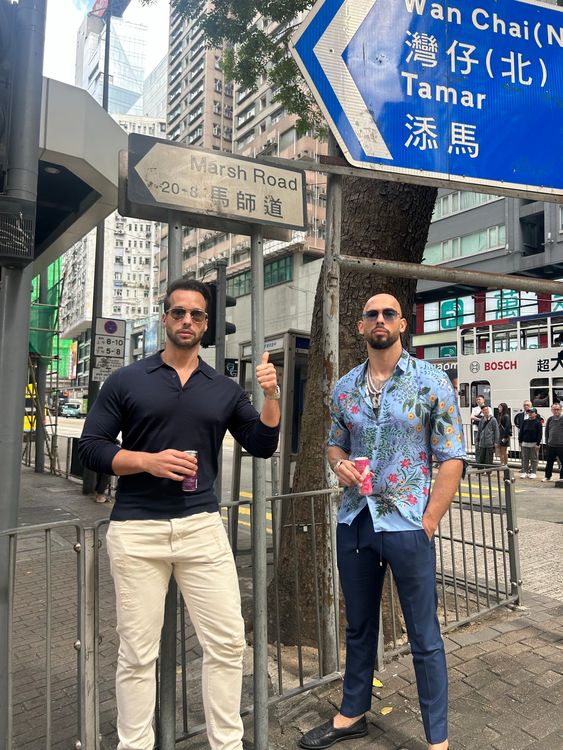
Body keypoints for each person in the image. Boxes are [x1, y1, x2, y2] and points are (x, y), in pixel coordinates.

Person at [78, 278, 281, 750]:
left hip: (200, 527)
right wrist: (147, 460)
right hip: (136, 530)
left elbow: (263, 444)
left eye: (196, 315)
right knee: (136, 654)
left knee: (229, 644)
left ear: (206, 325)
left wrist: (271, 397)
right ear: (165, 319)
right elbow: (91, 448)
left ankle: (226, 743)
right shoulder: (127, 380)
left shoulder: (224, 388)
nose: (187, 321)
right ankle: (134, 745)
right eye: (179, 313)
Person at [298, 294, 465, 750]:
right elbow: (334, 444)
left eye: (389, 313)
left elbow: (452, 456)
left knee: (423, 635)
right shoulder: (346, 387)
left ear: (402, 325)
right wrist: (338, 465)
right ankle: (352, 713)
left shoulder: (432, 381)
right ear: (359, 327)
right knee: (358, 627)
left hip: (409, 523)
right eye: (371, 314)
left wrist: (429, 521)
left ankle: (437, 740)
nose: (379, 320)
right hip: (354, 519)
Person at [518, 407, 542, 479]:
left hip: (534, 443)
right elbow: (521, 432)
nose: (530, 413)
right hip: (525, 442)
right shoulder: (525, 422)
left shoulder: (538, 423)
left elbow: (539, 434)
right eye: (529, 412)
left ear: (535, 413)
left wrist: (538, 443)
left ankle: (533, 472)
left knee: (534, 458)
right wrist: (520, 440)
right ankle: (525, 472)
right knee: (525, 458)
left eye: (532, 412)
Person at [542, 403, 563, 482]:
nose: (556, 411)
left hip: (561, 445)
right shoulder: (550, 419)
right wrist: (547, 442)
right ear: (551, 410)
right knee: (549, 462)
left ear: (561, 410)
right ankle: (548, 476)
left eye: (558, 409)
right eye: (554, 409)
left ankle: (562, 477)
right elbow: (547, 431)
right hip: (551, 445)